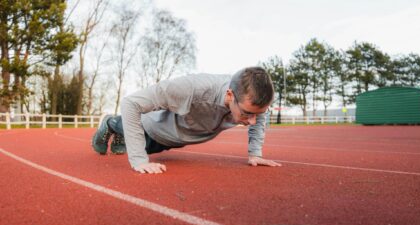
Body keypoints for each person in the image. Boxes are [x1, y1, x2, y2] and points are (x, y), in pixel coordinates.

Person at [92, 66, 282, 174]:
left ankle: (121, 134)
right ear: (230, 95)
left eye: (260, 114)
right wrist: (139, 160)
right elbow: (130, 103)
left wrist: (255, 152)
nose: (252, 122)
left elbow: (258, 113)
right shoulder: (190, 88)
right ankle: (111, 123)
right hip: (154, 129)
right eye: (248, 114)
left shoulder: (251, 100)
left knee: (148, 146)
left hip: (180, 136)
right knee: (143, 144)